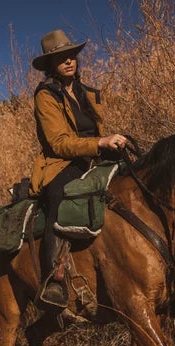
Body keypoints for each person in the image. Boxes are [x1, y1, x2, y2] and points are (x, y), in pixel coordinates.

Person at [31, 29, 128, 308]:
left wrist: (110, 143)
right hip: (61, 164)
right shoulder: (46, 95)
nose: (68, 61)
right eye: (60, 58)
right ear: (51, 65)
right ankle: (53, 280)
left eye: (71, 55)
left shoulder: (86, 93)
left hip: (93, 158)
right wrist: (101, 142)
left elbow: (92, 131)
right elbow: (59, 143)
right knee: (59, 199)